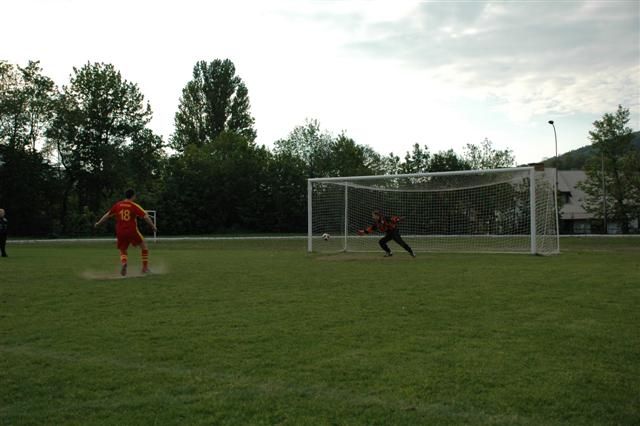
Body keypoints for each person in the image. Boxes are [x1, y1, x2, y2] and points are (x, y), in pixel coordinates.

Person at [95, 189, 157, 276]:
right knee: (144, 247)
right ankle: (145, 268)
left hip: (120, 231)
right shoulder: (134, 205)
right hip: (132, 230)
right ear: (133, 196)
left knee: (123, 249)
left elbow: (107, 214)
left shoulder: (118, 205)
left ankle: (124, 262)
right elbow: (146, 216)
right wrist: (153, 226)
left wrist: (98, 223)